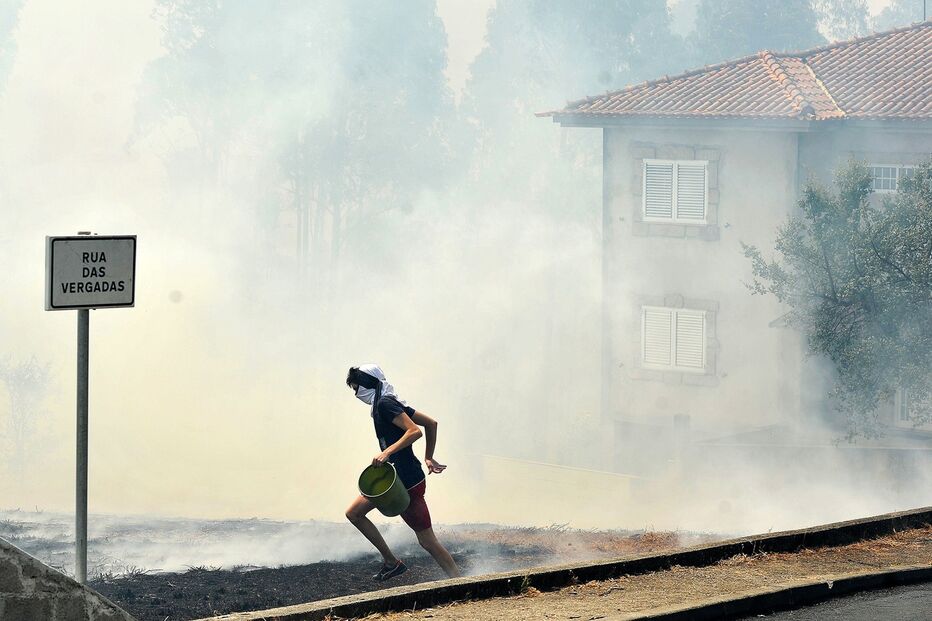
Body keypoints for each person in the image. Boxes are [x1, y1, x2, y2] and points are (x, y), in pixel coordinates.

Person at [344, 364, 461, 581]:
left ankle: (461, 582)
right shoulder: (389, 403)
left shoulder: (385, 404)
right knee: (354, 513)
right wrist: (429, 456)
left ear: (367, 385)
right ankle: (391, 562)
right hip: (395, 478)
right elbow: (431, 424)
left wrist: (386, 452)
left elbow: (415, 431)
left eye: (356, 388)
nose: (356, 395)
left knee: (427, 541)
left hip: (406, 482)